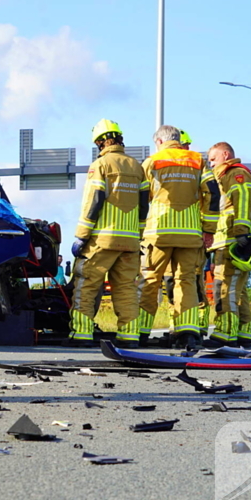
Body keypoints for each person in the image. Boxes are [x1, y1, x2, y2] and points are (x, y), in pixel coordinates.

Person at [66, 119, 147, 348]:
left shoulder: (100, 165)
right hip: (130, 241)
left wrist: (82, 235)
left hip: (102, 240)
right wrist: (137, 235)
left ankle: (81, 334)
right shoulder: (136, 167)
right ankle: (129, 336)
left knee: (87, 284)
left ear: (101, 142)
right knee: (126, 288)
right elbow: (144, 206)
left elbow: (93, 201)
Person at [136, 126, 208, 349]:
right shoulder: (198, 160)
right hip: (190, 232)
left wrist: (139, 230)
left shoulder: (152, 161)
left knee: (149, 280)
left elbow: (141, 198)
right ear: (178, 140)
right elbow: (211, 193)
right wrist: (210, 230)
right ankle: (187, 333)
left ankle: (140, 333)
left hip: (158, 232)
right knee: (185, 281)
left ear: (159, 141)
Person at [204, 142, 251, 348]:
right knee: (238, 290)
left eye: (213, 159)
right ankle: (243, 335)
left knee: (224, 287)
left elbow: (243, 201)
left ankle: (224, 334)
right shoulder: (225, 175)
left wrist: (241, 233)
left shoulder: (235, 174)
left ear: (226, 155)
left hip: (231, 240)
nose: (211, 164)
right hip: (228, 239)